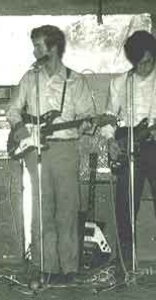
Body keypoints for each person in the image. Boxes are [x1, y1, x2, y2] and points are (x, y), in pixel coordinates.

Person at [6, 25, 95, 284]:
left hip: (66, 149)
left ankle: (69, 269)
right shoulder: (30, 78)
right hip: (36, 151)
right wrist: (21, 127)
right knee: (42, 209)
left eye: (39, 46)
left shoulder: (75, 80)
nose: (35, 51)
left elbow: (87, 115)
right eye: (34, 46)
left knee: (67, 210)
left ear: (53, 47)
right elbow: (13, 109)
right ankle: (45, 267)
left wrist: (88, 123)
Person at [101, 30, 156, 287]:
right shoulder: (119, 84)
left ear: (155, 56)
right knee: (125, 211)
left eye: (149, 61)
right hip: (128, 147)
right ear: (132, 60)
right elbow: (108, 118)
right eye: (139, 62)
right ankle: (123, 271)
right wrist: (110, 141)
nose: (144, 67)